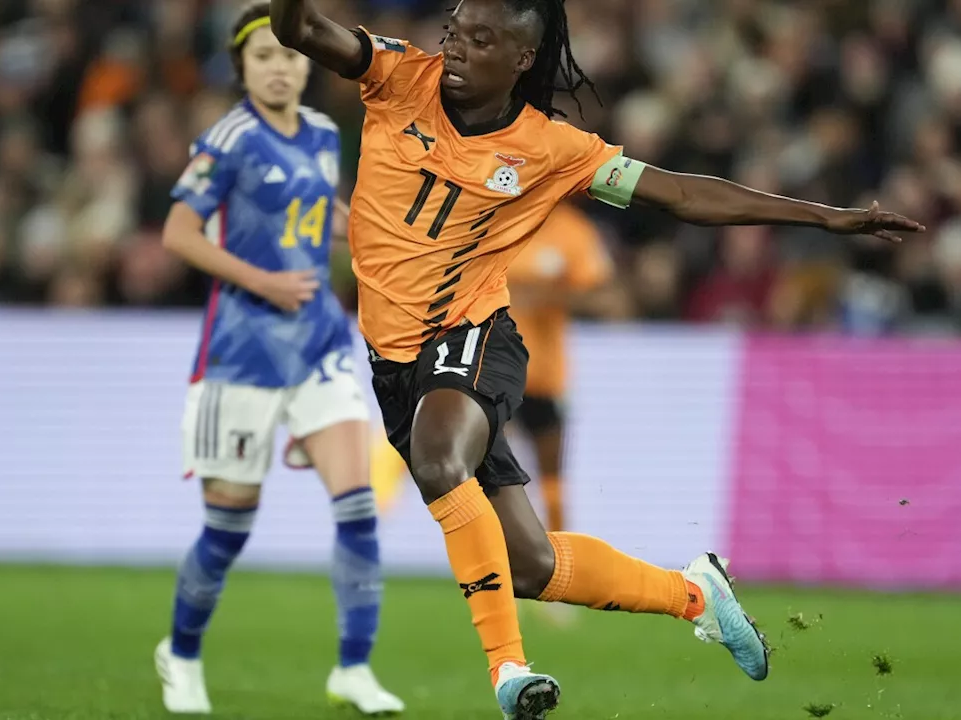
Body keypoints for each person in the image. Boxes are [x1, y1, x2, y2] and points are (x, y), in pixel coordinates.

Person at [269, 0, 924, 717]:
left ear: (521, 59)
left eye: (480, 39)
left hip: (475, 335)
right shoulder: (396, 75)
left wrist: (823, 216)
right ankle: (696, 594)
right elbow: (297, 29)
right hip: (393, 363)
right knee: (528, 564)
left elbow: (678, 194)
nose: (454, 48)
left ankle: (508, 672)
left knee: (435, 455)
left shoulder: (552, 149)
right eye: (453, 30)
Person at [155, 3, 404, 715]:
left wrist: (364, 234)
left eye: (289, 55)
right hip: (242, 352)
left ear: (306, 62)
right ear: (242, 68)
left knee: (357, 505)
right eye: (262, 56)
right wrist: (261, 279)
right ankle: (182, 651)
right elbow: (178, 232)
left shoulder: (325, 135)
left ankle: (353, 667)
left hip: (319, 342)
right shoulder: (228, 139)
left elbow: (316, 216)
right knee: (229, 526)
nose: (278, 66)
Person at [505, 200, 612, 627]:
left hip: (546, 376)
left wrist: (547, 295)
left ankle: (557, 583)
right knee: (492, 479)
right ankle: (500, 577)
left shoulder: (573, 231)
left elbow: (604, 294)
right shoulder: (501, 215)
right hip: (495, 373)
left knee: (552, 481)